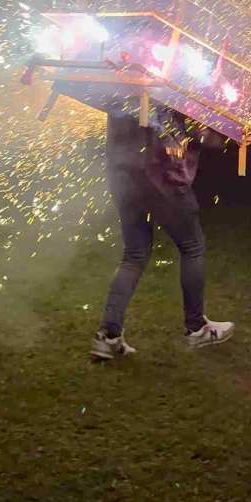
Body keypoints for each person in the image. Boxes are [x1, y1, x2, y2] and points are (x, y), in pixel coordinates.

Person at [91, 106, 233, 361]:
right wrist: (229, 134)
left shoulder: (121, 85)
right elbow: (198, 134)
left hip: (121, 174)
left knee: (134, 254)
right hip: (161, 174)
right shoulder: (175, 86)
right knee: (192, 247)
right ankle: (196, 328)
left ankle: (108, 336)